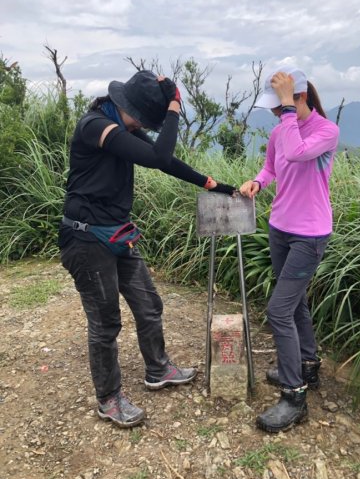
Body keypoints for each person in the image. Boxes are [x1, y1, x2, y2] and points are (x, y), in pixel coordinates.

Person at [59, 70, 235, 428]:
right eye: (143, 118)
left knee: (149, 304)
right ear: (128, 107)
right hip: (86, 239)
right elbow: (158, 156)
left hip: (117, 233)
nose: (143, 124)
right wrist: (173, 106)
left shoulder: (122, 128)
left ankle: (158, 369)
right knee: (106, 322)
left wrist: (215, 184)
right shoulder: (95, 126)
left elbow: (165, 159)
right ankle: (108, 398)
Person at [239, 65, 339, 433]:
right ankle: (307, 365)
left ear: (300, 97)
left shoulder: (327, 131)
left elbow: (297, 153)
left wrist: (286, 109)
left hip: (309, 235)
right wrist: (256, 182)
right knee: (294, 303)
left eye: (279, 105)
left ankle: (294, 394)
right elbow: (271, 168)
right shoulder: (281, 129)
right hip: (279, 228)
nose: (274, 114)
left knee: (279, 311)